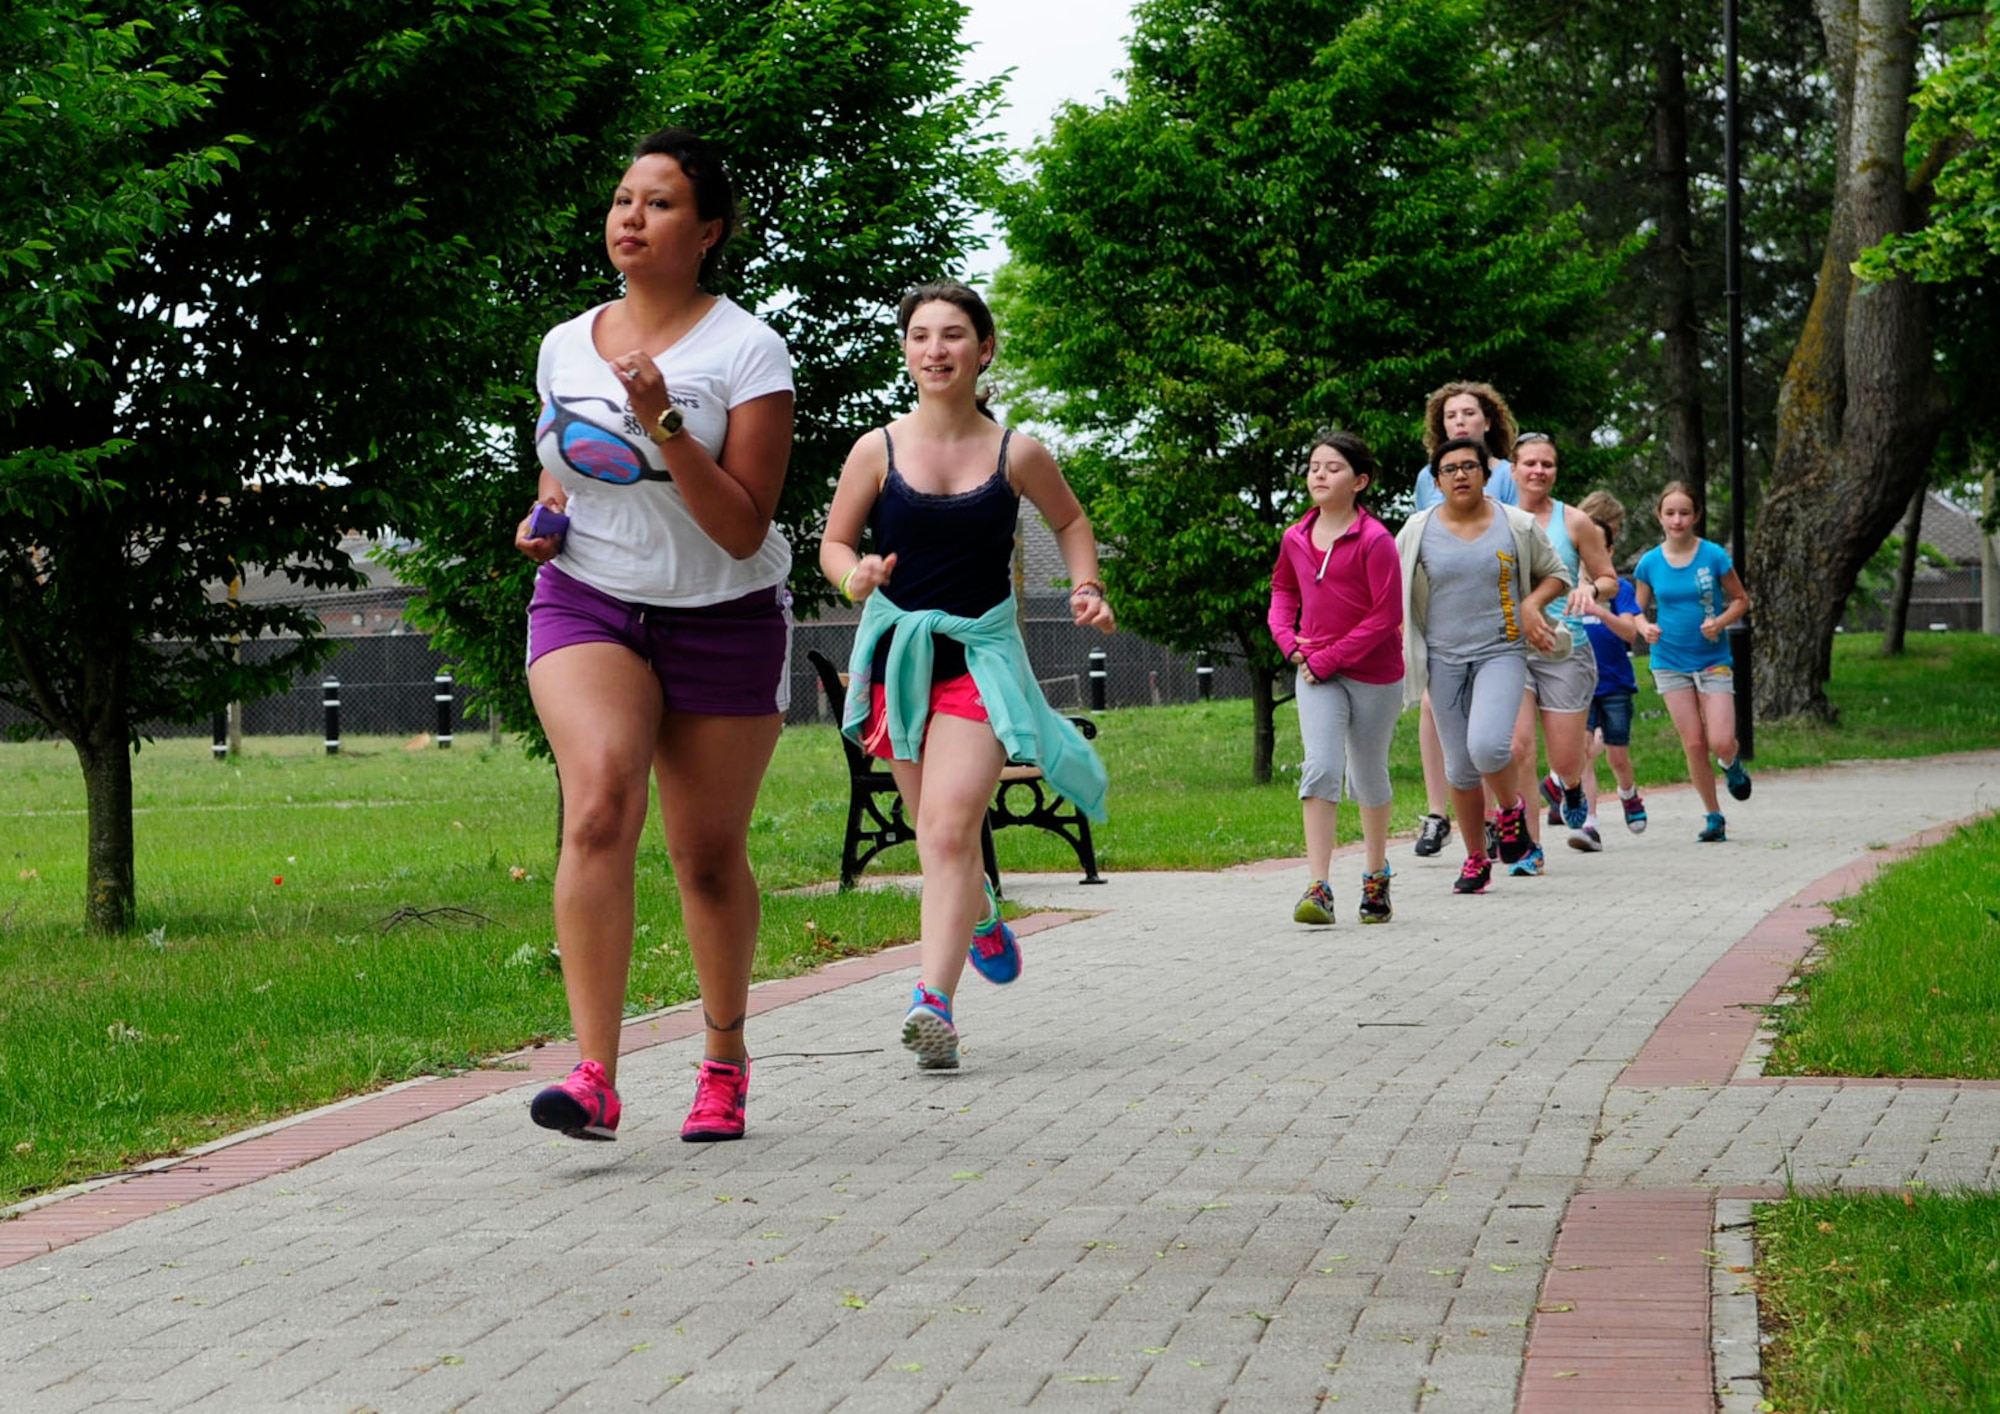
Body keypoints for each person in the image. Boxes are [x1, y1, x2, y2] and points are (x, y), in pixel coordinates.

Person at [516, 129, 794, 1144]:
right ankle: (593, 1072)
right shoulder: (561, 341)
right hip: (589, 600)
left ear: (706, 231)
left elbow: (740, 525)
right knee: (596, 806)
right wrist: (546, 512)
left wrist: (665, 420)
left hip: (721, 614)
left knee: (707, 856)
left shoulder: (746, 351)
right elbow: (566, 462)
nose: (629, 216)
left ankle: (723, 1059)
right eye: (623, 197)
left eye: (660, 203)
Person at [819, 282, 1114, 1071]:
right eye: (920, 335)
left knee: (949, 829)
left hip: (982, 661)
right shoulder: (875, 449)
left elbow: (1071, 522)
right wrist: (855, 577)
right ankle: (980, 914)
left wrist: (1086, 585)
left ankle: (933, 1005)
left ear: (984, 351)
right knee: (935, 839)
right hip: (902, 664)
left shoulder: (1017, 450)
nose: (935, 349)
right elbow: (835, 544)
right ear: (907, 351)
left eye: (953, 335)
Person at [1395, 437, 1570, 895]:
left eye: (1469, 466)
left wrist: (1531, 605)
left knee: (1490, 747)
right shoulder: (1417, 530)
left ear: (1486, 475)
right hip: (1443, 660)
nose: (1460, 475)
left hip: (1502, 650)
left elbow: (1558, 575)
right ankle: (1476, 858)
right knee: (1459, 771)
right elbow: (1394, 595)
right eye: (1449, 469)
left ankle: (1509, 812)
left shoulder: (1515, 524)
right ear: (1436, 481)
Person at [1268, 432, 1404, 925]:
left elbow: (1385, 616)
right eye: (1313, 466)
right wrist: (1290, 642)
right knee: (1321, 766)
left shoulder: (1376, 541)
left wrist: (1331, 657)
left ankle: (1375, 877)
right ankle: (1319, 886)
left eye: (1332, 467)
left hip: (1374, 674)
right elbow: (1282, 592)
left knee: (1367, 774)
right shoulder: (1295, 538)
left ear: (1360, 481)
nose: (1319, 475)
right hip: (1316, 672)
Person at [1410, 382, 1520, 860]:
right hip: (1444, 623)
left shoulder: (1507, 476)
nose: (1459, 422)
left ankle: (1505, 817)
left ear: (1488, 421)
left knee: (1492, 738)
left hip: (1501, 626)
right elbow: (1422, 547)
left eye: (1469, 414)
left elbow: (1528, 540)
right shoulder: (1426, 478)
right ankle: (1440, 814)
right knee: (1436, 712)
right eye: (1450, 415)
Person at [1507, 433, 1619, 873]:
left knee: (1566, 758)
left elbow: (1608, 577)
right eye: (1530, 463)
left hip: (1563, 648)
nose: (1539, 471)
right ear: (1513, 469)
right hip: (1512, 647)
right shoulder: (1497, 518)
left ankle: (1570, 784)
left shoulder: (1575, 522)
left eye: (1547, 464)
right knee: (1517, 747)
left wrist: (1590, 586)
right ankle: (1529, 848)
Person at [1634, 481, 1753, 842]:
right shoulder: (1649, 562)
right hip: (1669, 660)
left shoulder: (1713, 555)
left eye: (1684, 513)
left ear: (1696, 516)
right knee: (1694, 743)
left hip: (1712, 658)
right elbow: (1634, 610)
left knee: (1720, 740)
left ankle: (1730, 763)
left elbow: (1740, 599)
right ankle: (1714, 816)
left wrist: (1720, 621)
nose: (1677, 520)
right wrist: (1644, 626)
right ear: (1660, 516)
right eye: (1670, 513)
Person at [1570, 490, 1648, 849]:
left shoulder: (1621, 591)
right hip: (1580, 686)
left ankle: (1629, 793)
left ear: (1609, 553)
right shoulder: (1566, 588)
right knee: (1582, 751)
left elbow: (1630, 632)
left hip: (1615, 684)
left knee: (1617, 756)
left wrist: (1601, 610)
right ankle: (1589, 822)